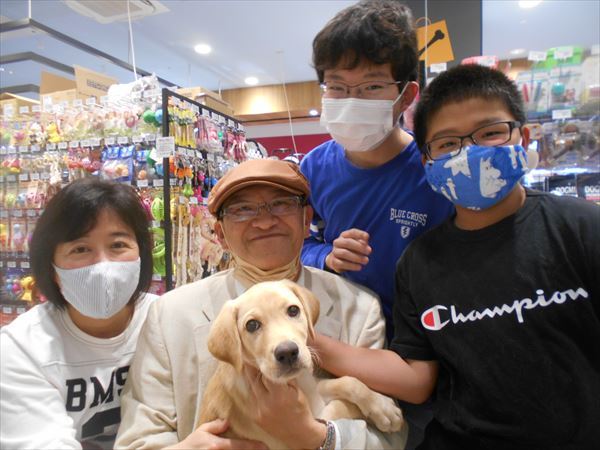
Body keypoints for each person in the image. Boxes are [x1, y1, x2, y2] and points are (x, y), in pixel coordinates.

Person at [311, 64, 600, 450]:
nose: (470, 153)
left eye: (490, 133)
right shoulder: (418, 263)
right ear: (427, 162)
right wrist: (307, 340)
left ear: (524, 137)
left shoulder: (580, 228)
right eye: (448, 143)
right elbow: (415, 379)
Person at [115, 159, 408, 450]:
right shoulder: (169, 314)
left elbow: (390, 437)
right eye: (242, 209)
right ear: (220, 234)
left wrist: (322, 438)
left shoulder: (359, 308)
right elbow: (138, 440)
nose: (265, 221)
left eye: (281, 204)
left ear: (306, 219)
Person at [300, 0, 453, 340]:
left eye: (371, 87)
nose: (351, 100)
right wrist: (327, 255)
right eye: (337, 86)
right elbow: (298, 243)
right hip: (346, 338)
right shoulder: (313, 168)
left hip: (426, 340)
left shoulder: (435, 168)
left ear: (406, 95)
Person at [0, 178, 156, 449]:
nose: (103, 266)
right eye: (80, 249)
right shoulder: (22, 348)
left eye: (118, 245)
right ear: (51, 267)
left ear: (141, 253)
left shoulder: (167, 320)